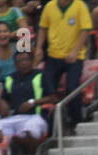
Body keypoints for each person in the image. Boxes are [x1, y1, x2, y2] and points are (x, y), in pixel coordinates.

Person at [36, 0, 93, 131]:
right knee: (47, 87)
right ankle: (50, 123)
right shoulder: (49, 6)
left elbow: (85, 30)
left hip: (74, 57)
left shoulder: (80, 5)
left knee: (72, 87)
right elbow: (42, 28)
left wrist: (75, 51)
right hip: (53, 55)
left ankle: (76, 120)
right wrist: (39, 48)